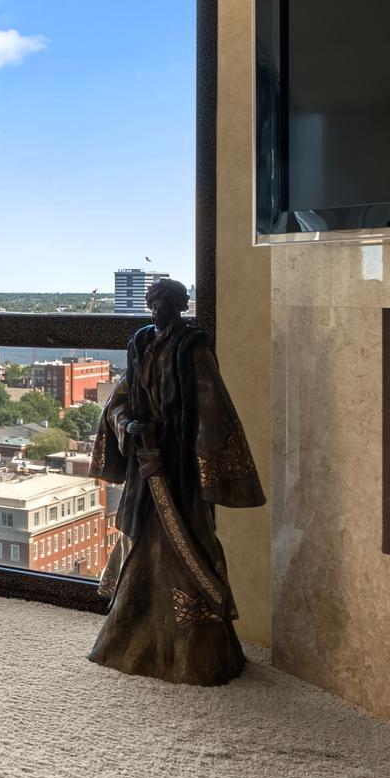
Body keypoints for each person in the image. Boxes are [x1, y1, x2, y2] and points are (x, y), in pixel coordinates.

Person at [89, 278, 263, 685]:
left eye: (164, 303)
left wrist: (209, 471)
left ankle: (193, 648)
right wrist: (126, 423)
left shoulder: (192, 349)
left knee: (189, 540)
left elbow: (212, 409)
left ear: (179, 306)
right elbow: (121, 397)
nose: (157, 310)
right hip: (144, 460)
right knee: (140, 537)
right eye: (152, 304)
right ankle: (133, 631)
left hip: (178, 467)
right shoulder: (141, 343)